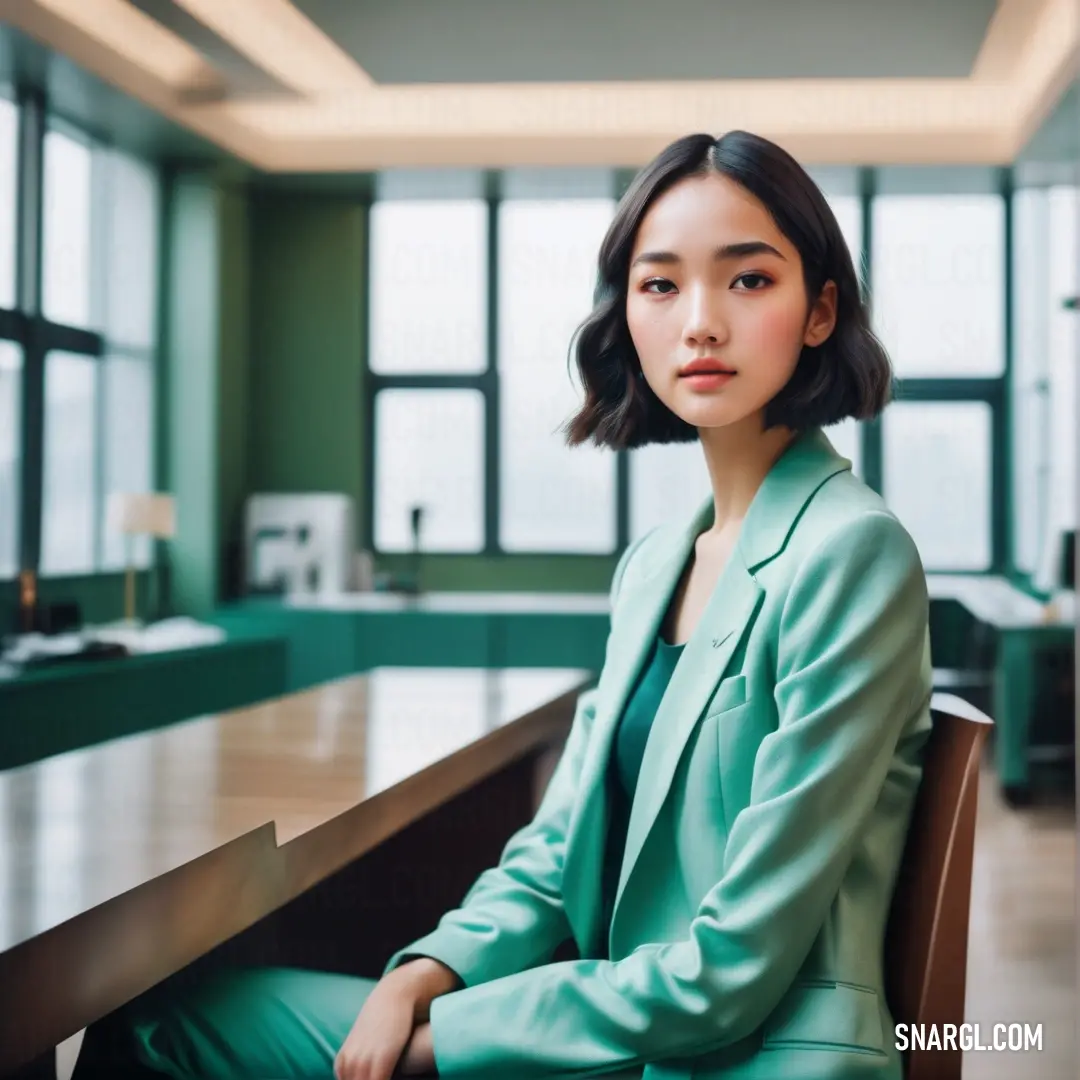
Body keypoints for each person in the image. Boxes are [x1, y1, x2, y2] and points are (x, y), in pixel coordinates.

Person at [72, 130, 932, 1080]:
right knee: (159, 1014)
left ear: (820, 311)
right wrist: (424, 975)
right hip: (619, 1030)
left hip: (744, 1057)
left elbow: (731, 971)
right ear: (628, 317)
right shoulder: (655, 565)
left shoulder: (852, 552)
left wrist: (447, 1044)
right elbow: (558, 846)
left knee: (163, 1034)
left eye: (748, 280)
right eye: (660, 285)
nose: (699, 323)